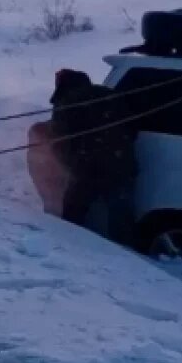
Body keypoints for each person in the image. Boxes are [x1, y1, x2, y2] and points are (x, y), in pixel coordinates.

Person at [48, 69, 138, 246]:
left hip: (89, 167)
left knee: (73, 212)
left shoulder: (68, 101)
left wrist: (66, 163)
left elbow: (60, 137)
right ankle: (128, 255)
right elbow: (133, 129)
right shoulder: (112, 96)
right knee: (120, 214)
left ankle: (69, 247)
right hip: (121, 165)